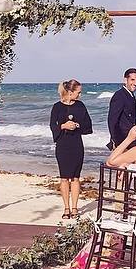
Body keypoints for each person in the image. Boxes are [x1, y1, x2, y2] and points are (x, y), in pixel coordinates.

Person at [50, 79, 93, 219]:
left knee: (75, 177)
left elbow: (88, 125)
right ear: (69, 92)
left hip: (76, 144)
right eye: (78, 92)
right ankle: (66, 208)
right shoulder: (57, 107)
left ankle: (74, 208)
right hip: (62, 144)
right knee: (64, 178)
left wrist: (77, 125)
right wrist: (63, 126)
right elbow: (52, 126)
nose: (80, 95)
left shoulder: (80, 106)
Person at [107, 68, 136, 149]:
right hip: (122, 138)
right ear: (125, 80)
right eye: (132, 80)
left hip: (129, 137)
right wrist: (114, 140)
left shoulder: (130, 95)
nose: (135, 83)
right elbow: (112, 120)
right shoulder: (119, 96)